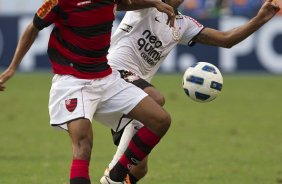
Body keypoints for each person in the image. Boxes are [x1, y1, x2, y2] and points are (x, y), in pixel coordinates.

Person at [97, 0, 280, 183]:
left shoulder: (183, 24)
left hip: (133, 92)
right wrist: (154, 3)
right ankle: (113, 177)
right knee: (155, 99)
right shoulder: (145, 6)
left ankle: (115, 176)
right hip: (112, 73)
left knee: (140, 168)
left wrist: (260, 19)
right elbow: (118, 3)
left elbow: (226, 39)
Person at [0, 0, 177, 184]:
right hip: (73, 82)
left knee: (160, 120)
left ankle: (115, 177)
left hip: (107, 78)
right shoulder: (58, 2)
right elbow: (33, 28)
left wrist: (154, 3)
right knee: (83, 146)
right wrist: (13, 67)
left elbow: (126, 3)